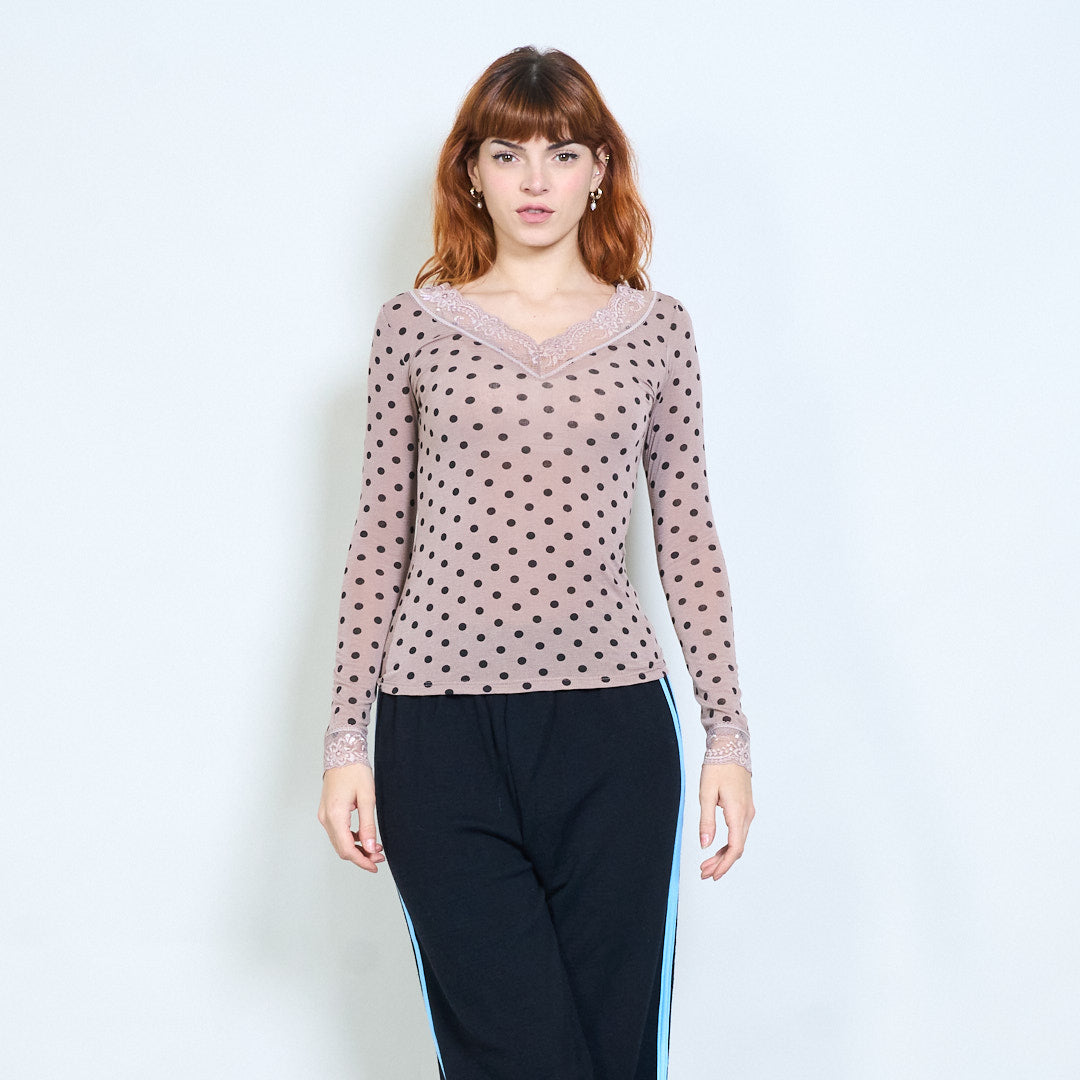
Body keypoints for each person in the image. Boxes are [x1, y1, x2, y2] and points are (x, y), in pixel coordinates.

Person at [317, 44, 755, 1080]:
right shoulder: (413, 329)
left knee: (611, 1053)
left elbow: (687, 533)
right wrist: (345, 740)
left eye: (562, 154)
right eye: (508, 154)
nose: (535, 181)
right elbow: (378, 537)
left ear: (599, 168)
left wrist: (727, 735)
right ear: (471, 169)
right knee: (510, 1053)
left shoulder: (656, 330)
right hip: (437, 735)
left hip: (613, 731)